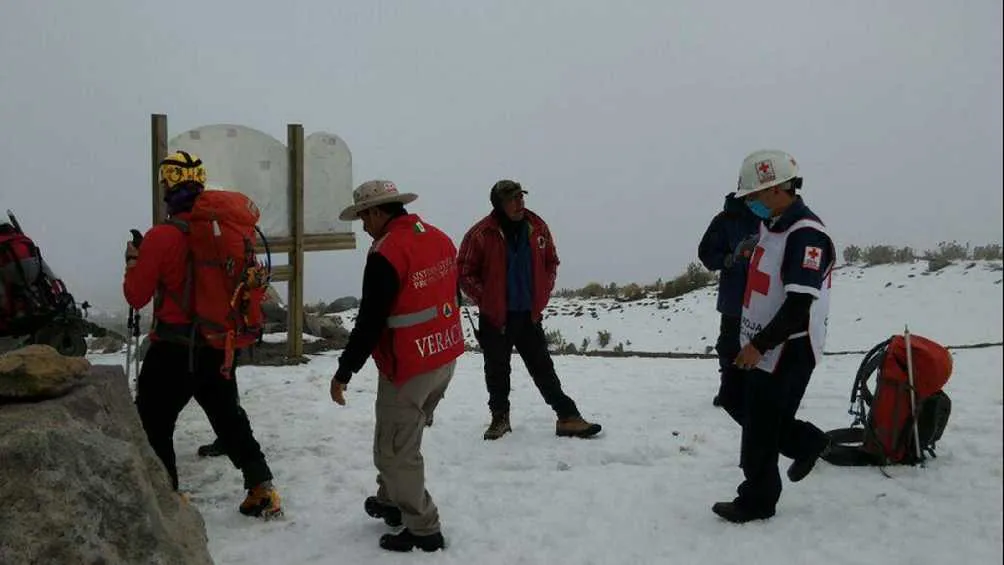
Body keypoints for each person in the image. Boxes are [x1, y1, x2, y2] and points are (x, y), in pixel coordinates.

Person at [123, 150, 281, 519]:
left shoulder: (160, 237)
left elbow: (136, 295)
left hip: (173, 349)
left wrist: (133, 260)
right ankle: (262, 488)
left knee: (154, 423)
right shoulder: (224, 232)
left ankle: (167, 500)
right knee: (228, 416)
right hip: (216, 344)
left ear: (168, 189)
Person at [329, 179, 461, 553]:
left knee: (394, 448)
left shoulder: (386, 253)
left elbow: (370, 321)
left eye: (362, 218)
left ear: (376, 211)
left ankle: (423, 527)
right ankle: (390, 501)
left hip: (410, 364)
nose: (363, 226)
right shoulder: (436, 236)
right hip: (444, 355)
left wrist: (344, 371)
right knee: (402, 434)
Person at [712, 149, 834, 523]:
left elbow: (799, 305)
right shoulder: (772, 225)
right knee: (734, 399)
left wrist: (759, 346)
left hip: (789, 348)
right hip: (754, 339)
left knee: (761, 427)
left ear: (778, 189)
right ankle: (805, 441)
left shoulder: (807, 236)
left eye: (754, 195)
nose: (750, 202)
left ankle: (758, 499)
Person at [458, 179, 602, 441]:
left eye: (521, 197)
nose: (519, 202)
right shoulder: (480, 234)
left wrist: (543, 293)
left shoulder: (537, 227)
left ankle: (568, 416)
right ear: (499, 205)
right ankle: (500, 418)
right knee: (497, 370)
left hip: (528, 314)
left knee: (543, 368)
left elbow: (551, 262)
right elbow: (465, 272)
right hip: (496, 317)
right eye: (512, 199)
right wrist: (488, 300)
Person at [698, 192, 762, 406]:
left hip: (767, 298)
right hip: (735, 297)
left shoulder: (775, 215)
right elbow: (706, 253)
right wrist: (728, 259)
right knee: (729, 345)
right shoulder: (725, 219)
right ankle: (729, 390)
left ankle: (763, 391)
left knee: (768, 343)